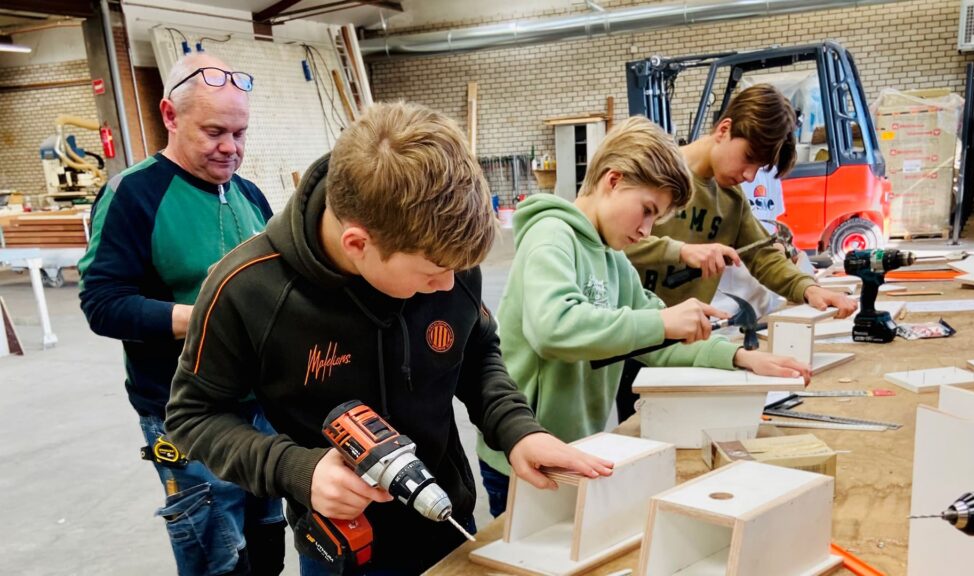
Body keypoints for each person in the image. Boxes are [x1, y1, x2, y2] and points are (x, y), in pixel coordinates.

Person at [163, 101, 614, 576]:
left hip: (446, 519)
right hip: (342, 545)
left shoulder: (447, 255)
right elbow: (194, 415)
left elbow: (477, 353)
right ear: (358, 244)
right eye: (431, 274)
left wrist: (517, 430)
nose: (448, 285)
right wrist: (297, 469)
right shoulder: (247, 290)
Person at [475, 116, 811, 518]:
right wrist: (662, 323)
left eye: (657, 219)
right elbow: (554, 328)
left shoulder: (616, 261)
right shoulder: (552, 235)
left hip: (577, 448)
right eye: (647, 210)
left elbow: (657, 342)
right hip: (525, 456)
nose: (647, 230)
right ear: (613, 180)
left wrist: (738, 358)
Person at [78, 53, 285, 575]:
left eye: (240, 133)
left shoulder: (249, 195)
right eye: (214, 131)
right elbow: (102, 303)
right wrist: (205, 317)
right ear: (170, 116)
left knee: (266, 548)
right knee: (217, 554)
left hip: (260, 409)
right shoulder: (133, 195)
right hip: (183, 414)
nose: (231, 148)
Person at [618, 84, 858, 422]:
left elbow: (763, 255)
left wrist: (808, 288)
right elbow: (610, 244)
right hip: (629, 339)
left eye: (759, 168)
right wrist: (681, 251)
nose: (748, 175)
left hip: (685, 346)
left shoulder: (730, 201)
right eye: (748, 159)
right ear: (724, 129)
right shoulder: (654, 173)